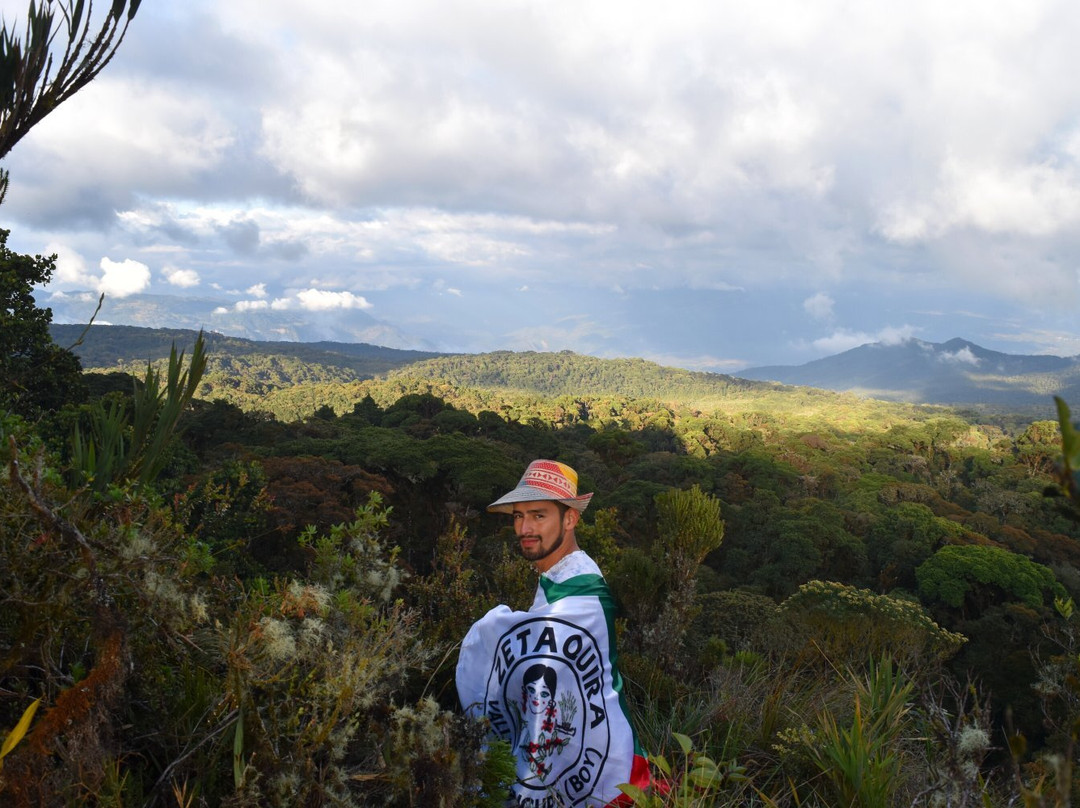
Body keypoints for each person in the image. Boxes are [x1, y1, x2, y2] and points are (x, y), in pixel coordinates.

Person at [457, 460, 650, 808]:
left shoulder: (582, 585)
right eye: (518, 516)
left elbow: (543, 637)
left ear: (570, 519)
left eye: (538, 515)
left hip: (610, 767)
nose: (524, 528)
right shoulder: (557, 573)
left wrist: (490, 626)